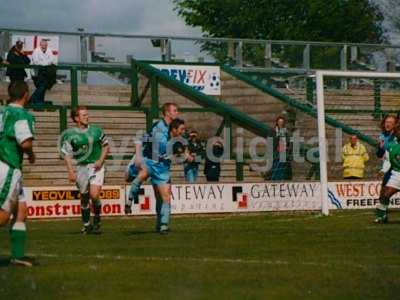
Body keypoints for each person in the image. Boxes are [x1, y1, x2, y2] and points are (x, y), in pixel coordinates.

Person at [129, 103, 180, 234]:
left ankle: (162, 225)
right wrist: (139, 156)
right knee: (164, 196)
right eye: (174, 111)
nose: (177, 113)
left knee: (162, 196)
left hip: (161, 165)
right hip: (152, 163)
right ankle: (129, 200)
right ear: (167, 113)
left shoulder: (173, 128)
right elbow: (142, 139)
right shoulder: (158, 128)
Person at [0, 81, 36, 267]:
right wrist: (31, 154)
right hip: (8, 166)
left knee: (21, 211)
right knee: (3, 217)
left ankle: (17, 255)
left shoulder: (1, 111)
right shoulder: (21, 115)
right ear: (26, 94)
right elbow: (25, 143)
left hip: (5, 164)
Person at [60, 106, 110, 234]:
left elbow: (105, 146)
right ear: (76, 118)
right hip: (81, 168)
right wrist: (70, 171)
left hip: (96, 167)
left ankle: (97, 219)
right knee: (84, 197)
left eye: (87, 114)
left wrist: (100, 160)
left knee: (94, 195)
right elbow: (66, 154)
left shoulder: (97, 131)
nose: (87, 117)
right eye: (84, 115)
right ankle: (87, 224)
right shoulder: (70, 135)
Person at [375, 115, 398, 223]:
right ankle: (382, 216)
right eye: (386, 122)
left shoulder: (397, 135)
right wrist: (380, 147)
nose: (387, 124)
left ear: (395, 124)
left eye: (390, 122)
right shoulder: (383, 136)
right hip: (392, 167)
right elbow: (380, 155)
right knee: (384, 192)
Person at [30, 40, 57, 106]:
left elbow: (51, 60)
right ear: (40, 45)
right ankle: (32, 99)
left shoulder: (49, 50)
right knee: (41, 87)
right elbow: (36, 62)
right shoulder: (36, 51)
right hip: (37, 73)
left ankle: (39, 102)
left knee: (43, 87)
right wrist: (46, 63)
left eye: (45, 45)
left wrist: (44, 63)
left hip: (46, 72)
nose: (44, 46)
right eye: (43, 45)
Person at [270, 116, 292, 181]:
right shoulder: (273, 130)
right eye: (279, 122)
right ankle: (274, 179)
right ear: (277, 122)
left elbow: (289, 140)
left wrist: (288, 147)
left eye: (282, 122)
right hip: (276, 151)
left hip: (284, 150)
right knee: (276, 166)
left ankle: (280, 179)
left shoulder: (286, 131)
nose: (280, 123)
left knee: (282, 166)